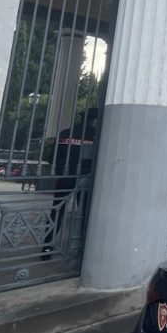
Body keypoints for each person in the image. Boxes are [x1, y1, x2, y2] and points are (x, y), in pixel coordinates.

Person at [42, 108, 99, 258]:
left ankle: (46, 247)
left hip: (65, 176)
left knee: (57, 211)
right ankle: (83, 248)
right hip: (85, 177)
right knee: (84, 213)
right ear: (94, 120)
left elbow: (53, 155)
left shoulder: (65, 133)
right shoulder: (96, 135)